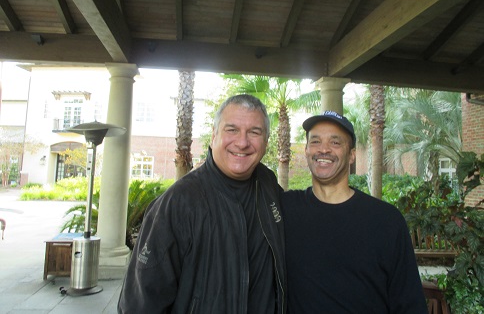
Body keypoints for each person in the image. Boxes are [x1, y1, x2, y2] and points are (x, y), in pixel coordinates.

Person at [118, 94, 286, 314]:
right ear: (214, 135)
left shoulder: (268, 186)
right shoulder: (178, 202)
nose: (243, 142)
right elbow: (139, 303)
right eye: (232, 130)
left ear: (266, 141)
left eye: (254, 132)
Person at [281, 110, 427, 314]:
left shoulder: (386, 221)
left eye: (335, 142)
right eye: (315, 141)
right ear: (306, 150)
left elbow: (409, 303)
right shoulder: (284, 209)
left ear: (351, 155)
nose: (323, 149)